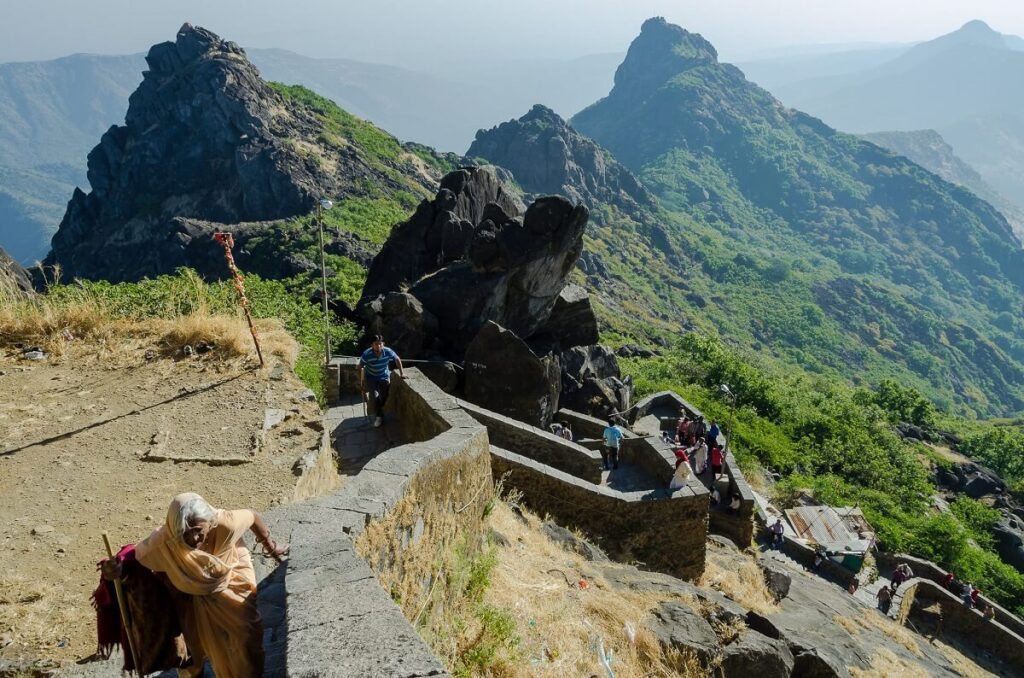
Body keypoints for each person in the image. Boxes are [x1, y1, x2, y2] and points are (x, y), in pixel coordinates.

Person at [99, 493, 288, 678]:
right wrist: (116, 568)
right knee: (191, 647)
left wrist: (271, 547)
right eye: (185, 534)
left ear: (210, 522)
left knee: (246, 637)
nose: (195, 539)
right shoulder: (165, 541)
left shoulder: (226, 524)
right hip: (189, 593)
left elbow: (253, 516)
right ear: (174, 531)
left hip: (230, 580)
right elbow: (133, 557)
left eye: (199, 530)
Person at [358, 334, 404, 427]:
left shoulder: (387, 351)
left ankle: (379, 412)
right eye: (376, 344)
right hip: (370, 377)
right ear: (372, 345)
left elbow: (397, 359)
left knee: (384, 396)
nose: (378, 346)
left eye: (380, 344)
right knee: (374, 398)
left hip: (383, 376)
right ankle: (379, 416)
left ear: (383, 344)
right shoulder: (367, 354)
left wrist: (402, 373)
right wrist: (361, 381)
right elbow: (360, 367)